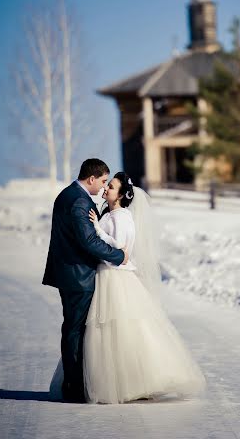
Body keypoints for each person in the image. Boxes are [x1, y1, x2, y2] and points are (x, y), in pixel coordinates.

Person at [49, 172, 206, 404]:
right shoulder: (110, 213)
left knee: (122, 329)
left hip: (115, 276)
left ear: (121, 195)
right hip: (105, 275)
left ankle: (135, 381)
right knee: (106, 332)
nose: (106, 189)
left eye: (111, 187)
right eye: (107, 185)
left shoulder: (121, 217)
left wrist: (97, 229)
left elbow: (120, 250)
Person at [42, 159, 128, 403]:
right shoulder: (80, 201)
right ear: (91, 178)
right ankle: (76, 387)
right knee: (76, 330)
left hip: (68, 273)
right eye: (102, 181)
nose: (103, 187)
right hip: (78, 275)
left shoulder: (66, 195)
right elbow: (88, 241)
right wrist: (119, 255)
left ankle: (76, 384)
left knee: (73, 328)